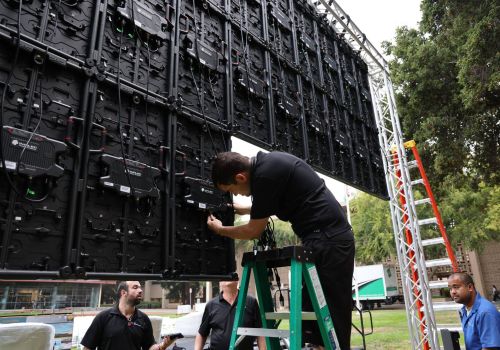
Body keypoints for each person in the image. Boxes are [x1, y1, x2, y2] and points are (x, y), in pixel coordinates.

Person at [207, 151, 355, 350]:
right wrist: (250, 209)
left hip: (330, 241)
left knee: (331, 312)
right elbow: (284, 198)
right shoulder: (267, 166)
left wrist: (221, 230)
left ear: (240, 177)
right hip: (322, 239)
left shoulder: (265, 176)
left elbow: (253, 230)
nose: (238, 195)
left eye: (233, 190)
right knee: (311, 310)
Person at [81, 281, 175, 350]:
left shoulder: (143, 319)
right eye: (135, 287)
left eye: (140, 287)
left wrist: (163, 346)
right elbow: (88, 347)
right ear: (123, 293)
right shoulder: (103, 317)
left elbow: (149, 346)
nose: (140, 290)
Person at [194, 280, 266, 350]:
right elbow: (202, 334)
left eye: (232, 274)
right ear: (220, 282)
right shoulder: (211, 305)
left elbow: (260, 332)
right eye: (226, 274)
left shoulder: (251, 302)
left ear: (237, 280)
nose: (229, 277)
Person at [447, 272, 500, 350]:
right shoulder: (465, 310)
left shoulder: (485, 312)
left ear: (470, 287)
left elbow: (490, 348)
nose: (453, 292)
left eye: (456, 287)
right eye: (450, 288)